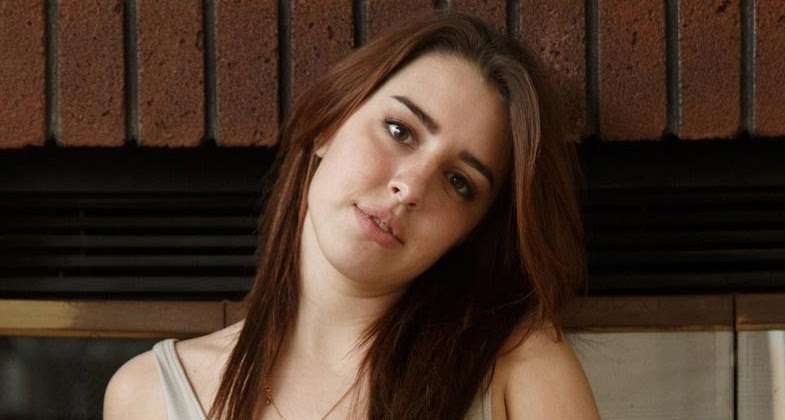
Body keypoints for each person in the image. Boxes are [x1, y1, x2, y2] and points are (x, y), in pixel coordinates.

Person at [104, 10, 600, 420]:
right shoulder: (148, 394)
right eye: (400, 130)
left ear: (470, 231)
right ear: (329, 122)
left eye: (459, 182)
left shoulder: (521, 368)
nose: (410, 188)